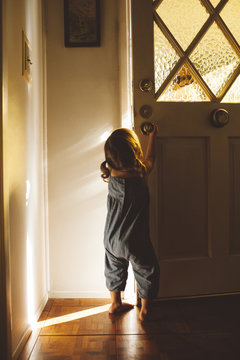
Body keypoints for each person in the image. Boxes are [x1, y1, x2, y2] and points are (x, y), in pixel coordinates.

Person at [100, 125, 160, 321]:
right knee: (147, 271)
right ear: (134, 150)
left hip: (111, 238)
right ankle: (146, 310)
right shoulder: (141, 173)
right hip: (135, 239)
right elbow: (151, 158)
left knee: (113, 269)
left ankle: (115, 303)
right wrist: (152, 136)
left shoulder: (110, 172)